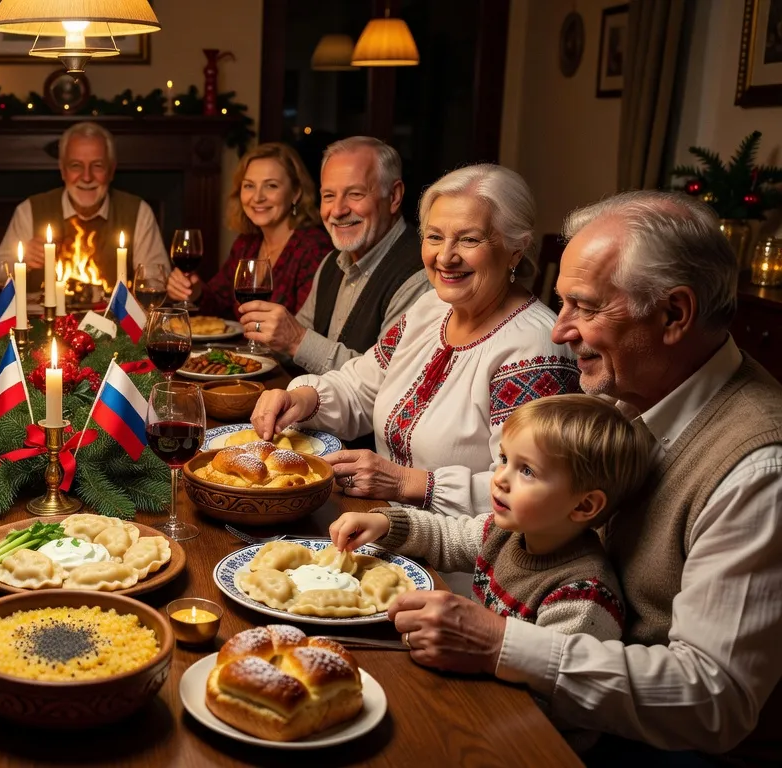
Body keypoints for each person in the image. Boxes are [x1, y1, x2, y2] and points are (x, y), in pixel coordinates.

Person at [389, 191, 782, 762]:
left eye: (586, 307)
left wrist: (501, 644)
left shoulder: (758, 467)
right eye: (562, 304)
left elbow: (714, 699)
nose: (559, 330)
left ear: (674, 314)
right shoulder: (629, 388)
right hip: (545, 703)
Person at [251, 164, 580, 520]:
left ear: (516, 249)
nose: (445, 257)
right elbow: (362, 385)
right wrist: (302, 398)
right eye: (435, 237)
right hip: (376, 523)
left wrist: (405, 482)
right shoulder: (430, 308)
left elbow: (529, 489)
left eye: (469, 239)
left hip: (457, 566)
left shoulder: (536, 346)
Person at [331, 395, 652, 750]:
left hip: (527, 740)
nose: (500, 479)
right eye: (504, 459)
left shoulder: (584, 595)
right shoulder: (507, 533)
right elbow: (447, 536)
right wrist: (383, 522)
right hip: (473, 689)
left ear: (584, 505)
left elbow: (560, 700)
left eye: (526, 470)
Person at [237, 137, 430, 375]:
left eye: (355, 194)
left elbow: (388, 380)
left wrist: (297, 340)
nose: (337, 211)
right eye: (329, 196)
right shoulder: (332, 262)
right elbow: (296, 341)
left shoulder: (420, 274)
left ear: (394, 197)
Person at [164, 142, 334, 319]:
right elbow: (217, 304)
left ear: (296, 193)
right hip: (241, 347)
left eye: (271, 186)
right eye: (249, 186)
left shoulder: (314, 248)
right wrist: (194, 292)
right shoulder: (246, 244)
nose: (257, 197)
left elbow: (308, 330)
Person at [0, 121, 167, 286]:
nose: (87, 177)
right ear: (63, 171)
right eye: (76, 166)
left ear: (111, 171)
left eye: (97, 165)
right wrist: (21, 261)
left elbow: (158, 281)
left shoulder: (137, 211)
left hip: (113, 321)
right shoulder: (30, 210)